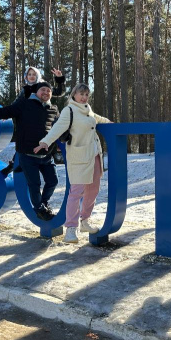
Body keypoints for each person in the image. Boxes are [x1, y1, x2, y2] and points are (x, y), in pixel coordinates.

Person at [0, 83, 60, 221]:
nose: (46, 92)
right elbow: (1, 112)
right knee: (34, 184)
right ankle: (39, 209)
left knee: (53, 181)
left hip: (47, 155)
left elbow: (60, 126)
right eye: (43, 89)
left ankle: (44, 204)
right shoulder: (24, 104)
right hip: (28, 155)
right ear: (36, 92)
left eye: (49, 90)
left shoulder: (53, 109)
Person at [34, 83, 112, 243]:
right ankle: (70, 229)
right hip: (79, 157)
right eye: (81, 94)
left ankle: (85, 221)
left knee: (93, 190)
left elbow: (97, 118)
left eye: (86, 95)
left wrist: (110, 123)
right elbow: (57, 128)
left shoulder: (87, 109)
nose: (84, 97)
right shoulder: (69, 110)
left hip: (94, 155)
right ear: (74, 94)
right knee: (76, 192)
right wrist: (45, 141)